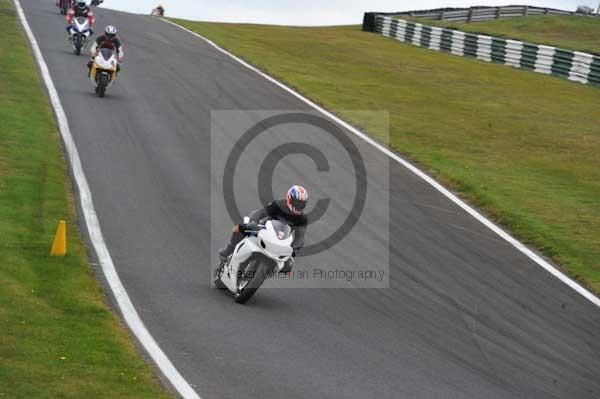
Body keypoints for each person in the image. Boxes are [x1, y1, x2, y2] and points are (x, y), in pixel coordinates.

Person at [218, 186, 309, 271]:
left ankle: (265, 272)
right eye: (296, 203)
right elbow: (259, 213)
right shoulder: (278, 204)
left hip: (280, 240)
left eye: (301, 204)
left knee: (288, 266)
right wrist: (253, 224)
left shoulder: (302, 218)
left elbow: (300, 237)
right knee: (238, 228)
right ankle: (226, 252)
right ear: (289, 198)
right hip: (264, 229)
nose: (298, 206)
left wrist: (294, 248)